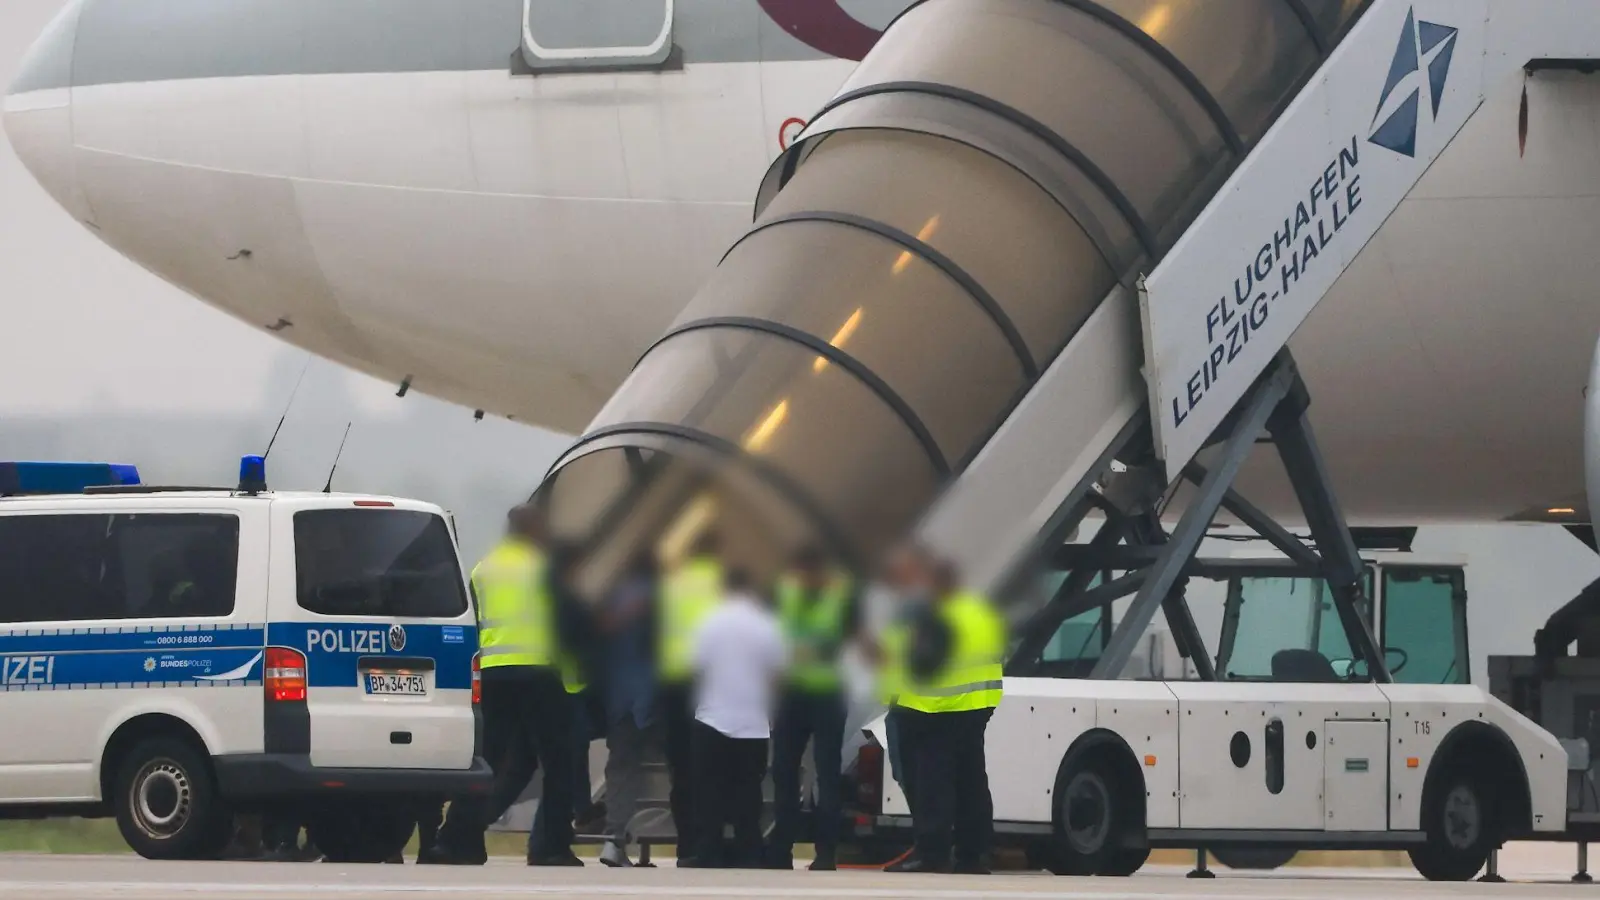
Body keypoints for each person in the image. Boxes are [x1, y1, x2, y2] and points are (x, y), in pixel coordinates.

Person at [423, 504, 584, 867]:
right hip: (540, 671)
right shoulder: (545, 567)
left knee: (489, 761)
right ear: (534, 530)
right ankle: (550, 847)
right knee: (559, 762)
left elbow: (471, 622)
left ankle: (457, 842)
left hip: (494, 672)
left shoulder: (483, 569)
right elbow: (569, 621)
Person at [885, 558, 1006, 875]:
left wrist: (894, 700)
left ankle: (932, 854)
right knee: (972, 784)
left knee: (932, 786)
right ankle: (973, 856)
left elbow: (906, 659)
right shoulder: (980, 611)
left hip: (933, 709)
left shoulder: (930, 614)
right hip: (976, 707)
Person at [685, 567, 787, 868]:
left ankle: (709, 851)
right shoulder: (767, 624)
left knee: (709, 791)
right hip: (753, 721)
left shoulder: (708, 621)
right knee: (748, 792)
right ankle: (749, 852)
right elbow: (777, 673)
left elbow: (695, 666)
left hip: (713, 717)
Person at [766, 546, 859, 871]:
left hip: (827, 694)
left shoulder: (842, 596)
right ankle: (781, 849)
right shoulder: (785, 592)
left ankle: (826, 852)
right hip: (792, 694)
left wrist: (813, 650)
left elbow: (851, 639)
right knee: (783, 770)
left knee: (827, 772)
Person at [657, 533, 724, 860]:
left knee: (680, 769)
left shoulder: (670, 584)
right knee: (713, 769)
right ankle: (709, 844)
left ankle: (685, 844)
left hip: (673, 684)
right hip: (710, 685)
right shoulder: (722, 585)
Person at [598, 552, 660, 868]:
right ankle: (695, 842)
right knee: (684, 770)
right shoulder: (658, 597)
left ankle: (614, 839)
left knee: (621, 767)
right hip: (651, 696)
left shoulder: (612, 598)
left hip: (619, 697)